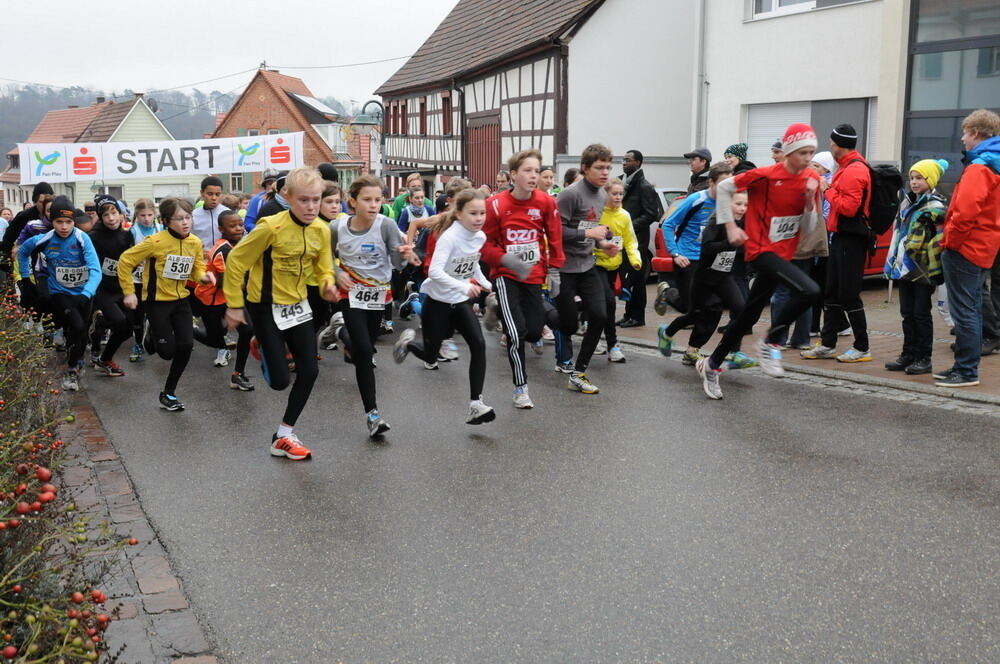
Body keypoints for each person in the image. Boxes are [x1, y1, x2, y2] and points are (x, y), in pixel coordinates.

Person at [695, 122, 823, 400]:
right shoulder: (764, 175)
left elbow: (810, 226)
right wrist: (730, 227)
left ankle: (712, 364)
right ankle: (773, 341)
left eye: (812, 152)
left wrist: (810, 202)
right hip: (760, 250)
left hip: (783, 254)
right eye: (803, 152)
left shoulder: (810, 180)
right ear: (788, 151)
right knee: (810, 290)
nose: (808, 158)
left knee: (746, 316)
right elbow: (727, 188)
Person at [224, 167, 336, 457]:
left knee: (309, 371)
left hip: (299, 306)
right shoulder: (269, 227)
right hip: (265, 306)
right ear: (287, 197)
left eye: (316, 200)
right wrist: (234, 305)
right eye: (304, 200)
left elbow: (323, 267)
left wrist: (327, 285)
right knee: (279, 382)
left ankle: (284, 434)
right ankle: (258, 342)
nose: (311, 207)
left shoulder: (321, 229)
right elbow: (236, 262)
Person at [393, 188, 496, 424]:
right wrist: (462, 286)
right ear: (459, 214)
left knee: (478, 344)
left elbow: (472, 263)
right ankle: (409, 344)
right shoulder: (449, 237)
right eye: (473, 213)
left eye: (482, 213)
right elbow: (435, 271)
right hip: (437, 302)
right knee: (431, 355)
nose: (479, 218)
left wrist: (483, 282)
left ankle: (475, 404)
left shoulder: (479, 236)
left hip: (459, 302)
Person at [330, 175, 418, 437]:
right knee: (366, 353)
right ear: (352, 201)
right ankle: (373, 415)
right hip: (351, 294)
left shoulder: (386, 225)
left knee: (363, 347)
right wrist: (336, 275)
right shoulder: (336, 228)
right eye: (367, 200)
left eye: (378, 200)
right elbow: (324, 258)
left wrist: (403, 255)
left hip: (378, 294)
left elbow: (396, 265)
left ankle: (338, 332)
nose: (373, 205)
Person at [481, 149, 565, 408]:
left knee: (533, 331)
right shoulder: (495, 204)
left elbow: (555, 236)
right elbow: (484, 244)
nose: (533, 176)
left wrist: (554, 270)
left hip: (534, 274)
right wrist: (505, 259)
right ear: (513, 175)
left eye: (537, 171)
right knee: (516, 334)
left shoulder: (546, 203)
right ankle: (521, 388)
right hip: (506, 275)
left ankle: (495, 308)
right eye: (527, 171)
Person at [117, 198, 213, 412]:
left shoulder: (194, 242)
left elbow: (197, 267)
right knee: (167, 353)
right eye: (179, 219)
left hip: (180, 300)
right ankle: (149, 333)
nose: (185, 222)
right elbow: (125, 261)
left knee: (187, 345)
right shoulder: (155, 242)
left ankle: (169, 392)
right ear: (167, 221)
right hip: (157, 302)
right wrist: (129, 292)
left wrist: (203, 277)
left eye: (188, 217)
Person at [934, 109, 1000, 387]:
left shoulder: (979, 167)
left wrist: (952, 242)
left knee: (965, 311)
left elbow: (964, 212)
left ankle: (966, 370)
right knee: (971, 307)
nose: (962, 139)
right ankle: (963, 367)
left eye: (964, 133)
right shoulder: (993, 163)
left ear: (975, 133)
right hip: (983, 245)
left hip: (966, 248)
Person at [658, 188, 757, 370]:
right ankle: (668, 332)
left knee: (740, 310)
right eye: (738, 204)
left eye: (745, 205)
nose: (743, 208)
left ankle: (735, 353)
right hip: (703, 278)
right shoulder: (716, 223)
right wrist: (730, 243)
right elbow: (708, 248)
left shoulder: (743, 223)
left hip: (724, 277)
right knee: (695, 315)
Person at [800, 124, 873, 363]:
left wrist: (827, 189)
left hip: (851, 238)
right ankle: (827, 343)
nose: (829, 146)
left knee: (849, 294)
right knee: (830, 292)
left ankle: (862, 346)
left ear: (838, 145)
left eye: (831, 143)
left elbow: (849, 208)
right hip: (839, 236)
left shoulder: (854, 170)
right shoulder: (846, 167)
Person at [17, 196, 101, 390]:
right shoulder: (44, 239)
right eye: (59, 222)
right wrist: (24, 278)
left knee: (81, 332)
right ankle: (71, 371)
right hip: (60, 292)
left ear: (74, 222)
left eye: (69, 222)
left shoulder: (82, 238)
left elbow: (95, 270)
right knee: (78, 327)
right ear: (52, 222)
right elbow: (22, 252)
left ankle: (77, 359)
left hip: (83, 292)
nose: (64, 227)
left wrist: (86, 293)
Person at [555, 143, 619, 394]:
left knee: (601, 315)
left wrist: (604, 243)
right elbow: (556, 231)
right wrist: (588, 232)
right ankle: (548, 318)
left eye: (608, 168)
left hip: (587, 265)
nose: (605, 173)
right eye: (599, 168)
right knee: (569, 325)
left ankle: (579, 372)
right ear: (585, 168)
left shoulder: (603, 195)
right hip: (564, 268)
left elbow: (593, 230)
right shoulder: (570, 194)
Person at [883, 159, 949, 376]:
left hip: (924, 269)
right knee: (907, 313)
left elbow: (938, 240)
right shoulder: (908, 203)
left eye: (919, 178)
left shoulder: (936, 207)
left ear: (930, 180)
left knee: (921, 313)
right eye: (912, 178)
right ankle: (908, 353)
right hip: (904, 267)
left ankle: (924, 357)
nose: (914, 182)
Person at [193, 210, 255, 390]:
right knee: (215, 341)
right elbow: (224, 281)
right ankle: (188, 329)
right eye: (232, 226)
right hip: (210, 299)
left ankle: (238, 375)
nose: (238, 228)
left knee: (247, 330)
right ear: (221, 229)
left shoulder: (240, 245)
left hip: (230, 297)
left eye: (240, 225)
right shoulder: (223, 250)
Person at [658, 163, 726, 319]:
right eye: (723, 184)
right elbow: (668, 224)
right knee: (687, 306)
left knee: (706, 304)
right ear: (711, 182)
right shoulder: (696, 199)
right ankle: (667, 292)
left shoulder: (727, 202)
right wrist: (675, 254)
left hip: (707, 258)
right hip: (686, 257)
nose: (727, 188)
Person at [87, 195, 135, 376]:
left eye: (114, 213)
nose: (111, 218)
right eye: (106, 215)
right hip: (101, 288)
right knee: (120, 321)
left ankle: (105, 359)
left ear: (120, 214)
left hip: (122, 287)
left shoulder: (127, 235)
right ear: (101, 217)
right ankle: (100, 324)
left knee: (128, 329)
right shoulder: (93, 237)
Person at [595, 178, 641, 362]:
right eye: (614, 193)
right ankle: (612, 344)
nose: (618, 197)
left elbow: (630, 240)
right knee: (608, 304)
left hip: (614, 266)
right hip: (595, 265)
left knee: (605, 306)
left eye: (621, 194)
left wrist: (635, 260)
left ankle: (602, 339)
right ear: (605, 194)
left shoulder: (624, 215)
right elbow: (587, 237)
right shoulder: (597, 212)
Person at [617, 149, 663, 328]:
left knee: (637, 280)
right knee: (627, 278)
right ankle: (628, 314)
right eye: (623, 159)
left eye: (628, 160)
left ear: (638, 163)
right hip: (623, 240)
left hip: (637, 241)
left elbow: (652, 214)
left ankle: (638, 316)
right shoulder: (622, 182)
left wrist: (629, 226)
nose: (624, 162)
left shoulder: (644, 186)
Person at [125, 199, 162, 362]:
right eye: (142, 215)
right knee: (138, 314)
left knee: (155, 312)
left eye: (149, 215)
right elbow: (127, 255)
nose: (146, 219)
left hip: (155, 278)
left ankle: (154, 337)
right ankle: (138, 343)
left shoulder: (160, 229)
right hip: (137, 279)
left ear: (154, 214)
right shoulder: (132, 232)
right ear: (136, 215)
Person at [190, 176, 230, 250]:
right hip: (201, 258)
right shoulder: (193, 215)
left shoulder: (228, 214)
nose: (214, 198)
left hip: (223, 258)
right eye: (210, 194)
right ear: (202, 193)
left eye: (217, 194)